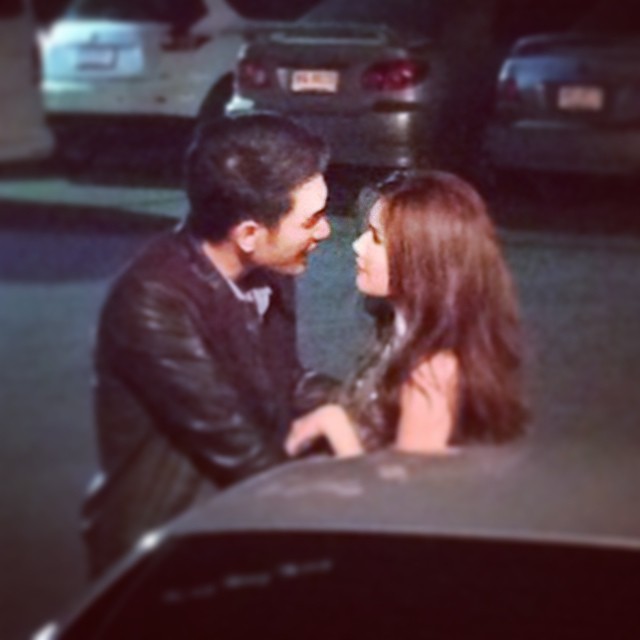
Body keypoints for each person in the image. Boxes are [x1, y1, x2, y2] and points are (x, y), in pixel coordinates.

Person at [83, 113, 335, 577]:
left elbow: (283, 381)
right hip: (164, 550)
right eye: (312, 220)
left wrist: (370, 398)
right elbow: (236, 445)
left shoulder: (269, 270)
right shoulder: (154, 300)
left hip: (232, 520)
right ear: (248, 235)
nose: (325, 232)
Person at [286, 170, 527, 458]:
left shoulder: (433, 370)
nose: (358, 245)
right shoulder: (404, 326)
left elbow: (408, 482)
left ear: (422, 261)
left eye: (376, 238)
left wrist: (334, 425)